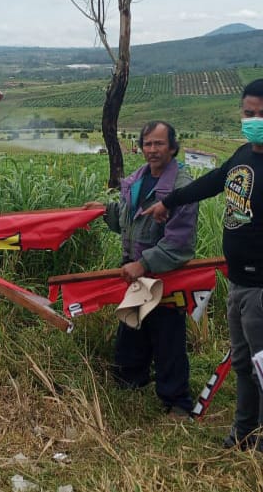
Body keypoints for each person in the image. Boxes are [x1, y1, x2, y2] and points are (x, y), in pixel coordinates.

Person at [143, 79, 263, 454]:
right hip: (239, 283)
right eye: (249, 113)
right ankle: (242, 432)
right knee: (242, 364)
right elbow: (212, 181)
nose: (255, 120)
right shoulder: (244, 154)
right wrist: (169, 202)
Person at [82, 121, 198, 417]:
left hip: (165, 276)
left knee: (168, 337)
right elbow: (128, 221)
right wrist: (103, 211)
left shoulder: (181, 189)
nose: (152, 149)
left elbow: (179, 244)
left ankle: (177, 401)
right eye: (148, 143)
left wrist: (144, 263)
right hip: (135, 272)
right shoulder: (137, 180)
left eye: (159, 143)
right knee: (132, 327)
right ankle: (131, 380)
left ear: (172, 147)